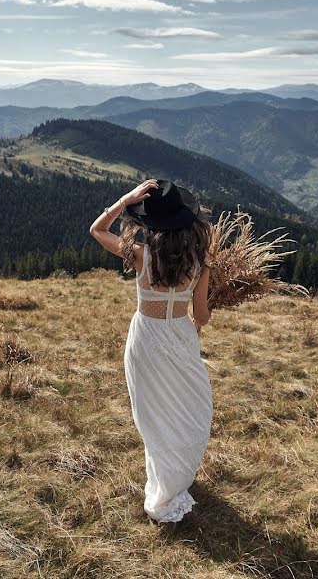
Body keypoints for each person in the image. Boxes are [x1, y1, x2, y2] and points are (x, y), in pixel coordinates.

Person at [89, 177, 214, 523]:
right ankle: (175, 477)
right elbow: (201, 316)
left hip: (145, 340)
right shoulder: (199, 264)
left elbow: (98, 230)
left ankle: (165, 479)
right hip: (180, 339)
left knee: (154, 414)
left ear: (152, 226)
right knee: (187, 410)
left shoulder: (140, 255)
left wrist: (124, 199)